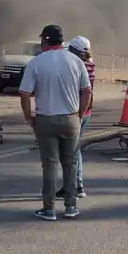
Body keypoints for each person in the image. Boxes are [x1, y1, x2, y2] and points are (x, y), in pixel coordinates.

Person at [18, 24, 91, 221]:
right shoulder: (76, 61)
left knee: (50, 165)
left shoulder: (36, 63)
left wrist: (28, 117)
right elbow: (87, 91)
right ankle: (71, 206)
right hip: (71, 119)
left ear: (45, 41)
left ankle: (49, 209)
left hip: (45, 119)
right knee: (71, 163)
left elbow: (24, 94)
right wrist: (80, 114)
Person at [56, 36, 95, 199]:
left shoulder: (76, 66)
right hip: (86, 111)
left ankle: (75, 186)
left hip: (75, 112)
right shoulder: (90, 65)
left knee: (70, 151)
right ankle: (76, 185)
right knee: (74, 148)